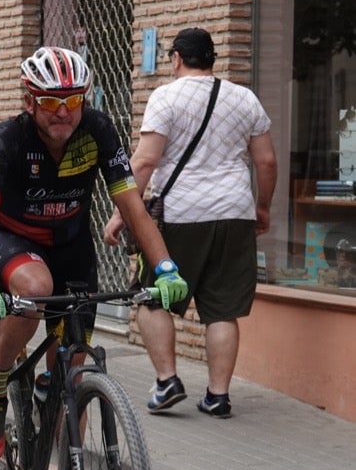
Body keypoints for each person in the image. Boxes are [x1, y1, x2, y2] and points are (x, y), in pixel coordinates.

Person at [0, 46, 186, 469]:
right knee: (34, 289)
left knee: (72, 372)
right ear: (28, 101)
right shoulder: (6, 139)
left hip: (71, 247)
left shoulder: (98, 131)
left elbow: (134, 210)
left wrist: (167, 268)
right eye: (50, 101)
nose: (63, 112)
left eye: (73, 101)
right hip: (12, 240)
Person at [104, 28, 277, 418]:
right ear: (212, 59)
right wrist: (262, 208)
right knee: (222, 310)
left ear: (177, 58)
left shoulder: (166, 97)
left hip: (179, 216)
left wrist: (119, 213)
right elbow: (266, 161)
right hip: (235, 213)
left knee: (151, 296)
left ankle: (167, 381)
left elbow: (145, 161)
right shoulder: (244, 98)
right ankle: (217, 396)